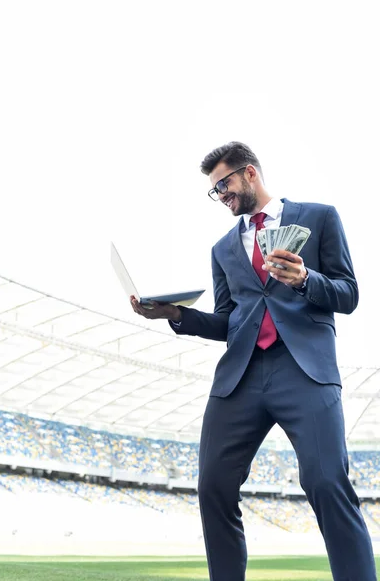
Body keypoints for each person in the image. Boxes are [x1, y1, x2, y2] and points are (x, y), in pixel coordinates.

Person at [130, 141, 377, 581]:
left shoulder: (319, 217)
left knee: (326, 483)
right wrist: (176, 315)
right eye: (213, 190)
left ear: (249, 173)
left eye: (223, 184)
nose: (220, 195)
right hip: (239, 379)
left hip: (304, 371)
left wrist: (304, 279)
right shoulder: (223, 248)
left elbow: (349, 294)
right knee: (213, 487)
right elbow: (228, 321)